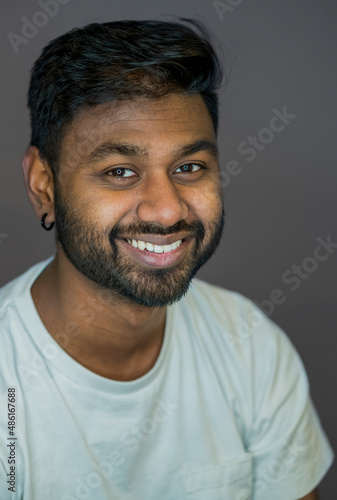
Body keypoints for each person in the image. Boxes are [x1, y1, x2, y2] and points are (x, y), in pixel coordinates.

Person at [0, 18, 333, 500]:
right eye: (119, 171)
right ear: (43, 185)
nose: (167, 208)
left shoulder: (250, 345)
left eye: (189, 167)